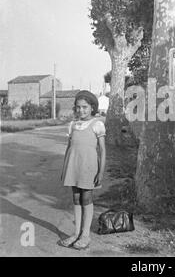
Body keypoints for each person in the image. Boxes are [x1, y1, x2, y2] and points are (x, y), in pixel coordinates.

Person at [59, 90, 106, 250]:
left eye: (85, 107)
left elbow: (102, 151)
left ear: (92, 107)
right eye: (78, 107)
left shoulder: (97, 125)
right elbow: (69, 147)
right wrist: (65, 168)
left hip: (89, 168)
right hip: (74, 167)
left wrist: (100, 172)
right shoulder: (72, 125)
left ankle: (86, 234)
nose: (81, 110)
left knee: (86, 199)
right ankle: (76, 232)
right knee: (76, 198)